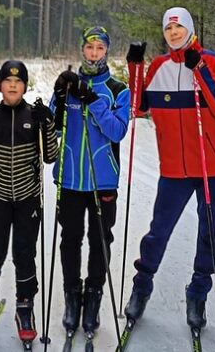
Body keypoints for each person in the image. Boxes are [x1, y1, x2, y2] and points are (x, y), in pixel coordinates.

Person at [123, 6, 215, 331]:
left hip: (213, 167)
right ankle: (141, 288)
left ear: (189, 29)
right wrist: (135, 66)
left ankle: (198, 293)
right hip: (174, 169)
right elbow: (137, 106)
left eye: (179, 27)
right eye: (168, 29)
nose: (173, 33)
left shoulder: (210, 60)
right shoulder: (159, 66)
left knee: (209, 233)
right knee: (158, 231)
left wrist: (198, 69)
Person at [0, 60, 59, 345]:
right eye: (8, 81)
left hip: (28, 199)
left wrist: (48, 123)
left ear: (25, 86)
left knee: (24, 254)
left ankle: (25, 307)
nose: (13, 85)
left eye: (18, 82)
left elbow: (51, 156)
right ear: (0, 85)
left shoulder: (34, 115)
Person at [49, 26, 130, 337]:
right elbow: (54, 129)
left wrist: (93, 100)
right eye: (89, 47)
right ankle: (72, 295)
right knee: (70, 239)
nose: (94, 53)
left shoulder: (117, 89)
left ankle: (93, 296)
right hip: (69, 179)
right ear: (82, 49)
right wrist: (59, 97)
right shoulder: (69, 83)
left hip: (103, 181)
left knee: (100, 240)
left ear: (107, 51)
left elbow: (117, 131)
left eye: (100, 48)